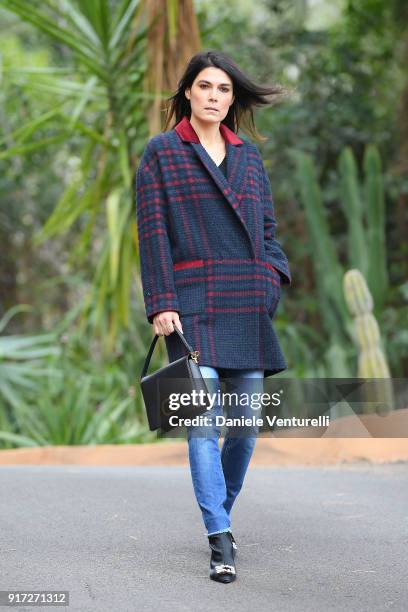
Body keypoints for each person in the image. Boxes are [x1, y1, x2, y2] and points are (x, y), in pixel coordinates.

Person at [135, 50, 291, 584]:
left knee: (244, 428)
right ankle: (218, 537)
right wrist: (161, 301)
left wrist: (272, 280)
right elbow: (152, 232)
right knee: (202, 428)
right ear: (187, 93)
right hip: (192, 305)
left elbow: (268, 230)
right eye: (205, 87)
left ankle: (220, 512)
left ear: (232, 100)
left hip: (247, 302)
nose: (215, 97)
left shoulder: (248, 157)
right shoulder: (162, 153)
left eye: (224, 90)